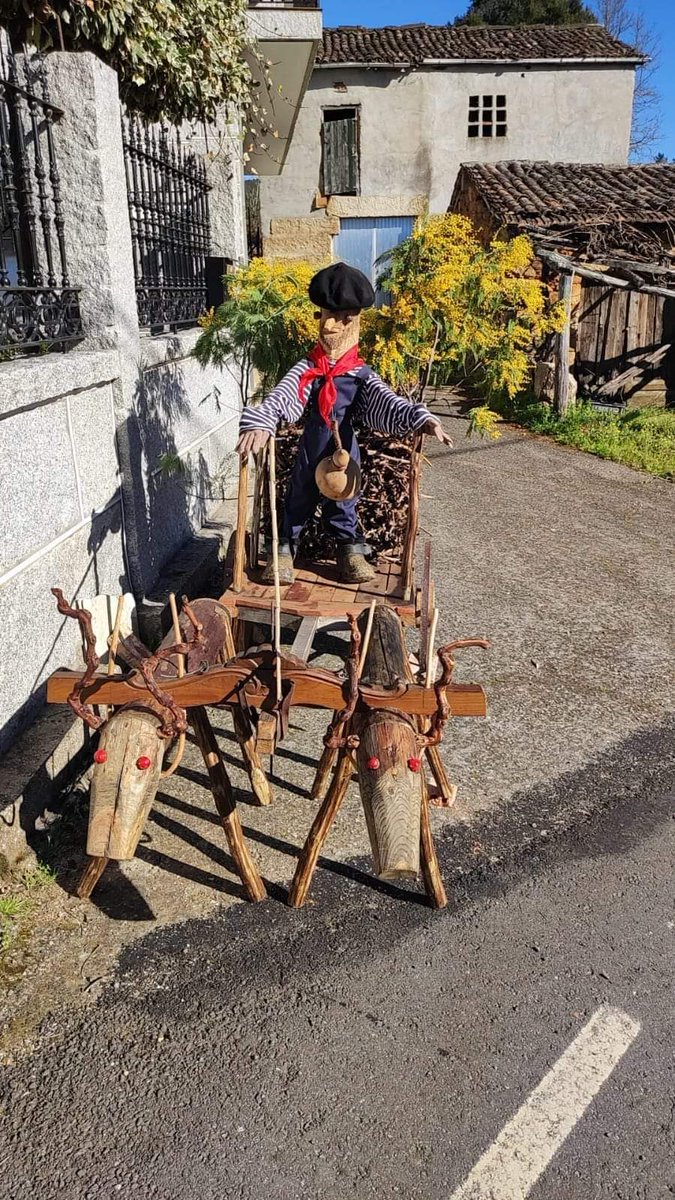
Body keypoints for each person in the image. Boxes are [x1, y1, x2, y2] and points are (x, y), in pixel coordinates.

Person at [236, 262, 452, 584]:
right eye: (326, 316)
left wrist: (420, 418)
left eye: (343, 319)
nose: (331, 327)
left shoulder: (360, 373)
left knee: (345, 499)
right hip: (312, 444)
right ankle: (283, 552)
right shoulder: (307, 368)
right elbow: (282, 396)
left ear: (356, 322)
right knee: (299, 495)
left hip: (345, 449)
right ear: (318, 318)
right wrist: (261, 422)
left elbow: (387, 400)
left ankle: (349, 551)